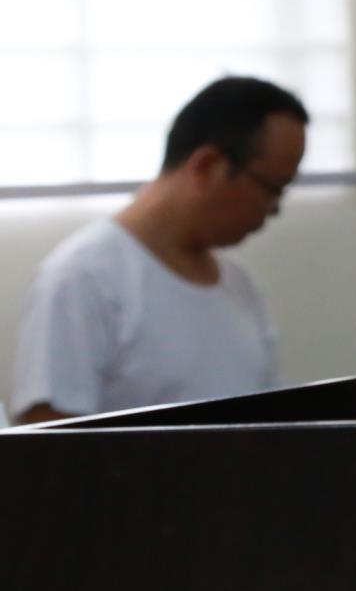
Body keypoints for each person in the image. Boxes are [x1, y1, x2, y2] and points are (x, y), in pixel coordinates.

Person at [8, 76, 305, 425]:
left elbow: (272, 424)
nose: (274, 209)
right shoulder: (81, 280)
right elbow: (47, 442)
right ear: (206, 166)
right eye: (273, 188)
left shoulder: (239, 284)